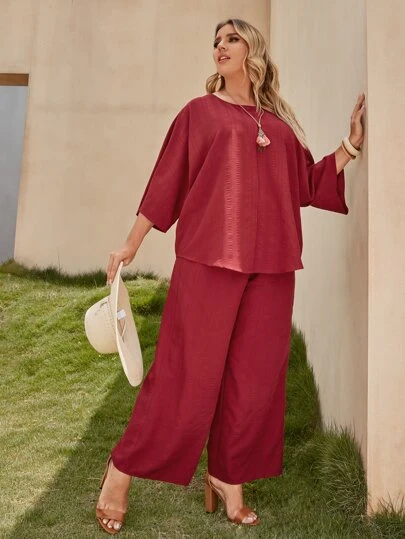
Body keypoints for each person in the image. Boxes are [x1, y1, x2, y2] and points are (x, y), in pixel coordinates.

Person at [96, 17, 366, 534]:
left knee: (255, 379)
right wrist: (131, 242)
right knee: (185, 375)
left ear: (252, 50)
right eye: (216, 41)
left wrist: (349, 147)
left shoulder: (278, 125)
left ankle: (228, 476)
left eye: (232, 39)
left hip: (273, 266)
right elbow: (167, 181)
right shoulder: (199, 113)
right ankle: (121, 470)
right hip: (209, 260)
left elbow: (307, 183)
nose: (220, 46)